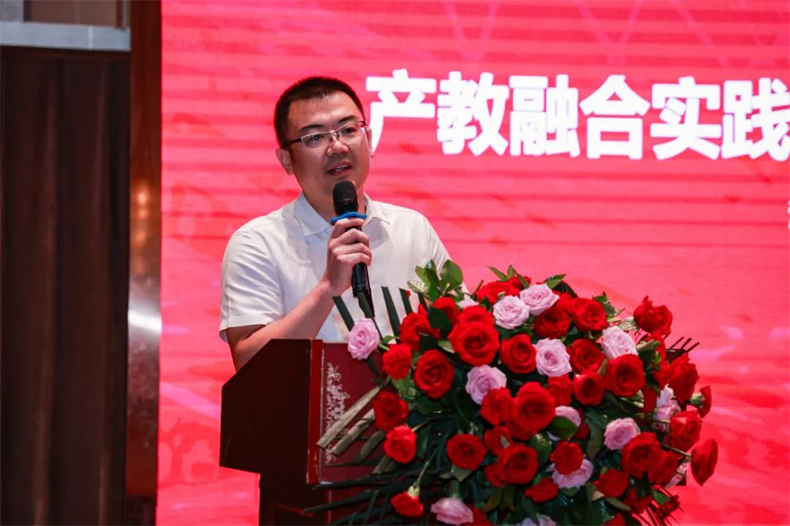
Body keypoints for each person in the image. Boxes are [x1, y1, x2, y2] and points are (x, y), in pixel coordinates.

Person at [220, 77, 450, 370]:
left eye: (349, 129)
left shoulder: (412, 230)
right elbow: (249, 363)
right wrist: (328, 287)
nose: (337, 146)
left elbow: (459, 328)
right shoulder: (257, 243)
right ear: (286, 160)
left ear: (369, 139)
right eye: (315, 137)